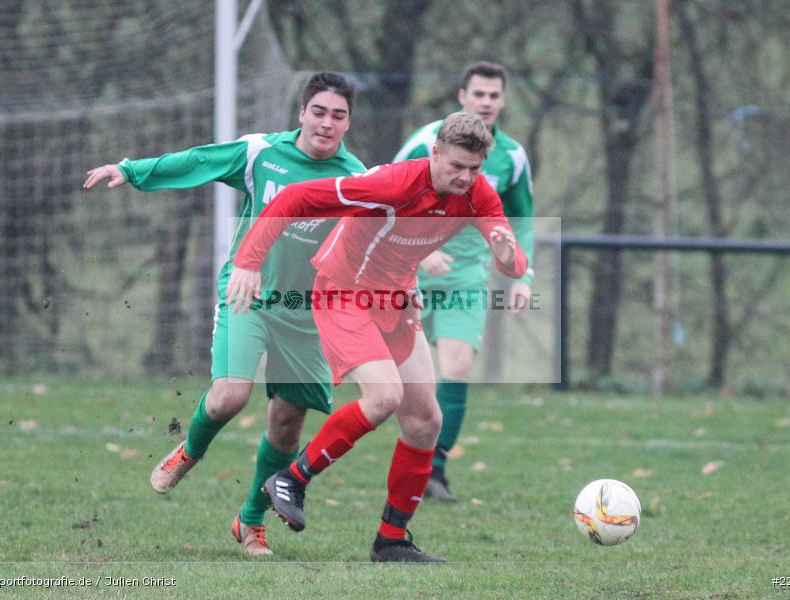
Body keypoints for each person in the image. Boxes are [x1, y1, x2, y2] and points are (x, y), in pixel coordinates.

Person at [225, 111, 529, 562]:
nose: (465, 177)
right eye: (456, 166)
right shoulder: (390, 185)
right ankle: (293, 478)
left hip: (397, 301)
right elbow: (296, 197)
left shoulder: (479, 193)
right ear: (435, 154)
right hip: (343, 292)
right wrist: (248, 262)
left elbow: (512, 262)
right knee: (384, 397)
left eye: (474, 168)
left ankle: (391, 541)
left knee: (426, 420)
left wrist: (509, 256)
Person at [83, 72, 366, 556]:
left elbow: (379, 238)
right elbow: (199, 161)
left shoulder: (356, 179)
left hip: (304, 314)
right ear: (301, 113)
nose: (326, 123)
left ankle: (250, 522)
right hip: (246, 295)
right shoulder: (262, 153)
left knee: (286, 425)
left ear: (347, 123)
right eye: (318, 112)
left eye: (337, 116)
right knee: (229, 397)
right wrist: (131, 171)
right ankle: (190, 450)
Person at [392, 61, 535, 501]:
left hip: (468, 276)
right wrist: (424, 248)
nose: (487, 102)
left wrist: (523, 274)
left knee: (455, 367)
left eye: (494, 96)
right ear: (462, 96)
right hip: (409, 268)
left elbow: (522, 219)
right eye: (479, 94)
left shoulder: (510, 156)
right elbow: (387, 195)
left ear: (503, 101)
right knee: (389, 382)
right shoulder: (425, 142)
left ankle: (433, 471)